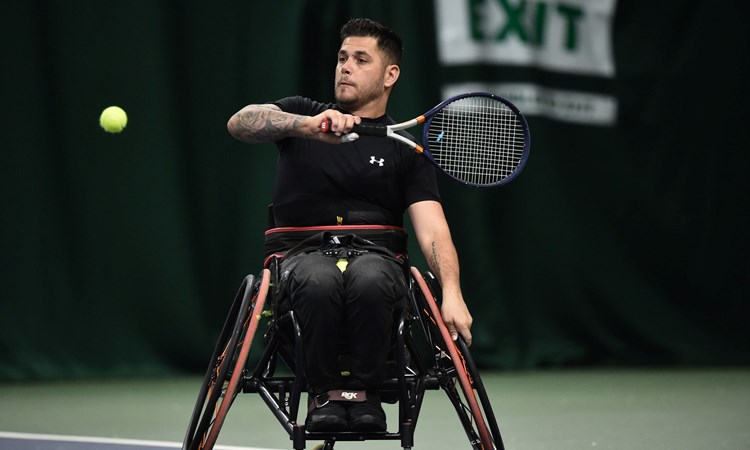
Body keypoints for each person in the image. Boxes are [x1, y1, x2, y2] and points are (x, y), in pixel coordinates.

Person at [227, 18, 473, 433]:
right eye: (343, 58)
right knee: (320, 278)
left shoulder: (407, 151)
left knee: (372, 277)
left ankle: (366, 393)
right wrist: (305, 126)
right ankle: (324, 394)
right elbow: (240, 122)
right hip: (298, 259)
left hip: (376, 260)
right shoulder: (303, 114)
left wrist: (452, 293)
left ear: (390, 74)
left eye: (361, 60)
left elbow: (433, 231)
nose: (346, 67)